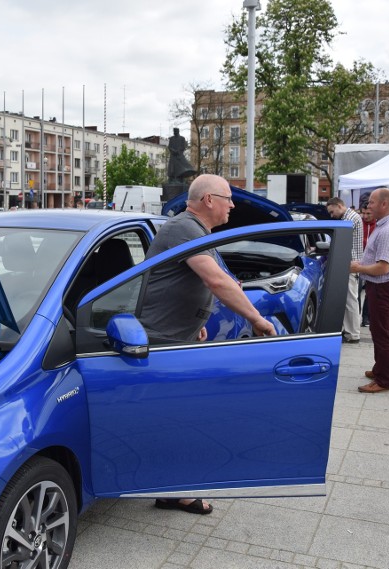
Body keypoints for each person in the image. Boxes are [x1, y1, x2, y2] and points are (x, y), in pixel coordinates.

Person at [138, 173, 276, 515]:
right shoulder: (185, 227)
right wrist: (257, 319)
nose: (233, 204)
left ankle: (170, 488)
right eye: (228, 198)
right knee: (180, 417)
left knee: (178, 416)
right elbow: (216, 280)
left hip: (177, 335)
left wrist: (196, 322)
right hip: (161, 340)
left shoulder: (199, 231)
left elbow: (186, 280)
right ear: (209, 200)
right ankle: (173, 490)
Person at [350, 187, 389, 393]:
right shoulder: (384, 225)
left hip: (382, 286)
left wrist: (358, 268)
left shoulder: (387, 231)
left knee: (382, 334)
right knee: (376, 330)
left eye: (372, 202)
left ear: (383, 204)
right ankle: (379, 367)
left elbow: (383, 267)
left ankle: (383, 380)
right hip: (379, 286)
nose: (368, 206)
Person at [326, 197, 364, 343]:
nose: (331, 215)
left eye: (332, 211)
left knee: (350, 300)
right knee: (348, 299)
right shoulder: (350, 217)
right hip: (349, 263)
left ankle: (353, 333)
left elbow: (338, 238)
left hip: (350, 263)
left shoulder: (349, 219)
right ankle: (349, 331)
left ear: (339, 205)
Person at [359, 207, 376, 327]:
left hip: (372, 263)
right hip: (359, 262)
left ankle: (366, 318)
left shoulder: (379, 226)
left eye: (368, 213)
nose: (365, 216)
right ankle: (356, 316)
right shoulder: (359, 224)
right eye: (363, 213)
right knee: (357, 292)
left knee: (370, 292)